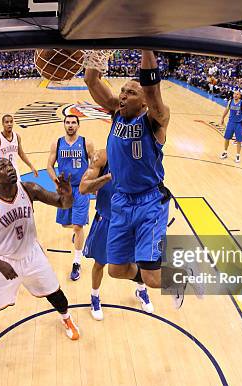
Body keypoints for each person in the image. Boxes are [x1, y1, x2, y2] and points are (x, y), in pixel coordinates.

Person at [84, 50, 190, 307]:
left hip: (149, 202)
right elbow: (91, 81)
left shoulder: (156, 120)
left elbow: (153, 91)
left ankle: (180, 277)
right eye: (122, 90)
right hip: (121, 201)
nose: (123, 95)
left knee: (154, 279)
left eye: (131, 92)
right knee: (116, 270)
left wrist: (146, 47)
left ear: (144, 102)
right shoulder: (116, 113)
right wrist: (96, 53)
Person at [0, 158, 79, 366]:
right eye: (3, 168)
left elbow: (62, 203)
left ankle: (67, 318)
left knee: (56, 293)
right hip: (3, 261)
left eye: (10, 165)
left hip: (32, 254)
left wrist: (68, 194)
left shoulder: (29, 189)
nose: (9, 169)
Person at [80, 149, 153, 320]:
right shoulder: (103, 156)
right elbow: (83, 188)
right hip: (106, 219)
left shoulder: (141, 155)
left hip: (130, 220)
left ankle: (141, 290)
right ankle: (94, 297)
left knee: (136, 260)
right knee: (100, 263)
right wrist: (107, 177)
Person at [47, 115, 94, 281]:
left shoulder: (86, 143)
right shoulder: (57, 144)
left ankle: (77, 262)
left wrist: (89, 180)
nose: (70, 125)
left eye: (74, 122)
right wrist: (56, 182)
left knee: (77, 226)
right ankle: (76, 232)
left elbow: (94, 164)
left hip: (81, 189)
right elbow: (49, 166)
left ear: (78, 125)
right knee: (66, 224)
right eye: (67, 122)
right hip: (65, 190)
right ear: (64, 125)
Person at [0, 114, 37, 186]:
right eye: (7, 122)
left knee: (18, 193)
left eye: (11, 122)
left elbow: (21, 154)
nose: (9, 124)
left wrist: (31, 166)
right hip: (0, 174)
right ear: (3, 124)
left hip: (14, 171)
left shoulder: (17, 137)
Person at [219, 90, 242, 163]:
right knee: (227, 138)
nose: (235, 95)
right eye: (234, 94)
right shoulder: (230, 101)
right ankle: (225, 152)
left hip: (239, 124)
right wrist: (222, 118)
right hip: (231, 122)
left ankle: (238, 155)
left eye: (237, 94)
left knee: (239, 140)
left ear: (240, 96)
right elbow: (226, 110)